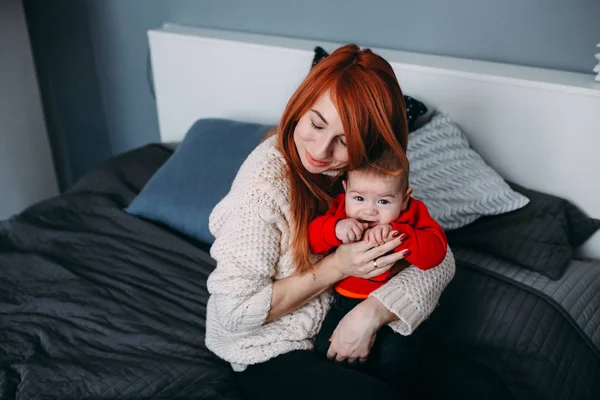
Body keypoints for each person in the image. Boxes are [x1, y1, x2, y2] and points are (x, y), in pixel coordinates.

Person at [205, 44, 455, 400]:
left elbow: (441, 257)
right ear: (300, 106)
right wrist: (340, 265)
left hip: (343, 320)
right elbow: (235, 312)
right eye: (316, 124)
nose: (321, 152)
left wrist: (372, 313)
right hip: (270, 348)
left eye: (344, 140)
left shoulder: (365, 173)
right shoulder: (260, 193)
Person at [309, 149, 448, 383]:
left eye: (383, 201)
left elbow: (436, 254)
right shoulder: (341, 210)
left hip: (391, 307)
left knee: (394, 361)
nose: (369, 210)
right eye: (359, 198)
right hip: (344, 301)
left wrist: (400, 233)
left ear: (404, 198)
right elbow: (312, 240)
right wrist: (334, 229)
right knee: (327, 349)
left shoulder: (412, 214)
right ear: (345, 190)